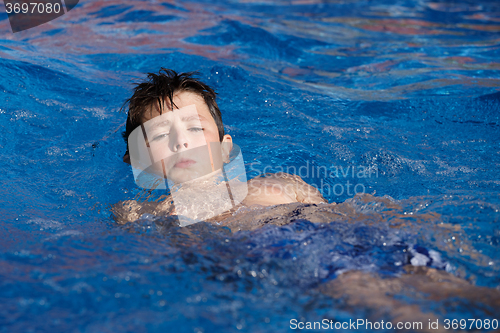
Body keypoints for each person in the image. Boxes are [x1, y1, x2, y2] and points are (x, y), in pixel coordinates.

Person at [113, 68, 326, 225]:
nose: (181, 141)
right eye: (161, 134)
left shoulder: (282, 183)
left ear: (225, 149)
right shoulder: (139, 215)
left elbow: (336, 218)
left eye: (195, 129)